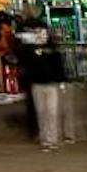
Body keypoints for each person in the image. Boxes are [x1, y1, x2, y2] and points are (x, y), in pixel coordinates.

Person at [15, 20, 69, 151]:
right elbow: (23, 63)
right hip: (36, 84)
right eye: (37, 32)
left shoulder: (52, 49)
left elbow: (59, 67)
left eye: (42, 32)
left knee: (52, 112)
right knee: (41, 112)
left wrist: (62, 82)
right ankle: (45, 139)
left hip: (51, 85)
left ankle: (52, 139)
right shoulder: (30, 50)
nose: (40, 34)